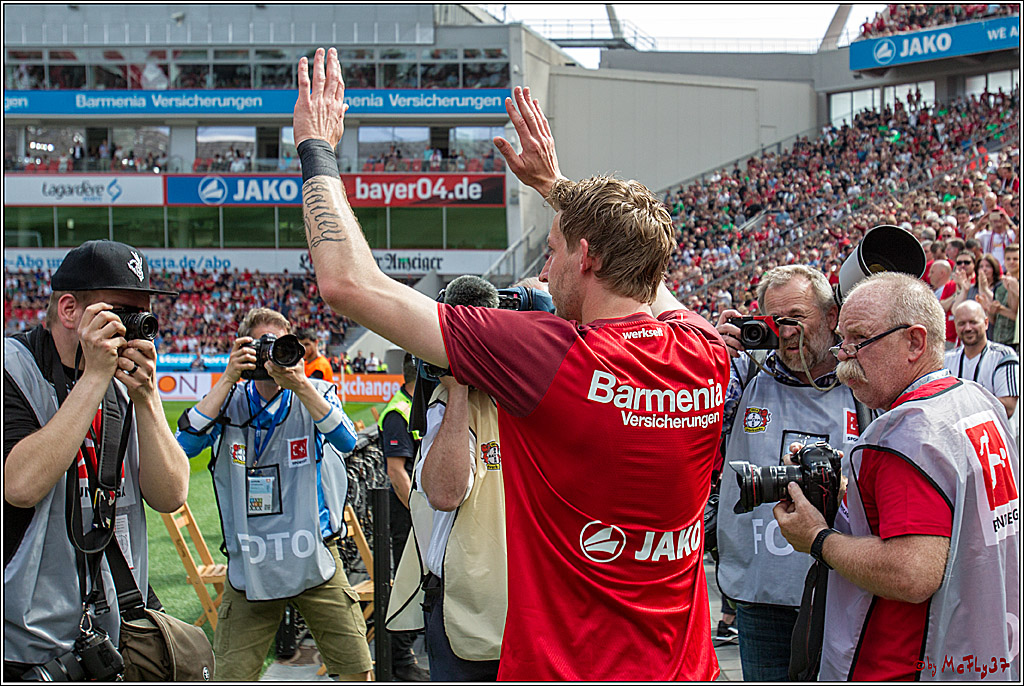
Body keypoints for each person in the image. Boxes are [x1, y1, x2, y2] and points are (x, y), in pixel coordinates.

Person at [294, 48, 730, 680]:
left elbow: (346, 284)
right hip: (682, 667)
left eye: (552, 251)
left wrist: (317, 154)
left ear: (585, 256)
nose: (545, 271)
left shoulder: (548, 354)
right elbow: (647, 276)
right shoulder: (704, 353)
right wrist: (558, 191)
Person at [774, 272, 1019, 681]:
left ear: (915, 342)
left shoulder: (904, 433)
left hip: (905, 664)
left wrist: (817, 537)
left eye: (859, 339)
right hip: (987, 650)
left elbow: (912, 574)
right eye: (842, 339)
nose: (843, 354)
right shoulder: (977, 399)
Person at [4, 240, 189, 680]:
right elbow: (20, 485)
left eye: (142, 315)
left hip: (115, 631)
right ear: (70, 310)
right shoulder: (14, 369)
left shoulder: (124, 384)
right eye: (121, 312)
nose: (136, 329)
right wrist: (94, 378)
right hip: (25, 646)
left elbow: (170, 495)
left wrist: (147, 396)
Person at [174, 307, 372, 681]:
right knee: (230, 675)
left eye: (279, 345)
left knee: (357, 670)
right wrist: (228, 376)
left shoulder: (316, 392)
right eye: (261, 345)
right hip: (251, 564)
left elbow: (346, 441)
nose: (270, 355)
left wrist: (301, 384)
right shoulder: (229, 401)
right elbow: (182, 445)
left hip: (312, 557)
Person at [714, 265, 864, 681]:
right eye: (775, 320)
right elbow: (684, 423)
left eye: (797, 316)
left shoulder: (862, 383)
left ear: (831, 316)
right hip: (760, 592)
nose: (786, 331)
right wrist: (709, 356)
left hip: (843, 586)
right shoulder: (743, 377)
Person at [376, 353, 429, 681]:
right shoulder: (399, 411)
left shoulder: (415, 404)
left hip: (420, 511)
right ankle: (400, 660)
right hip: (408, 513)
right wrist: (420, 513)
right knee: (408, 581)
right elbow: (397, 473)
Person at [946, 300, 1019, 419]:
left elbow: (1008, 407)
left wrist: (960, 404)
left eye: (973, 322)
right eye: (962, 323)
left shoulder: (1003, 356)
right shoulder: (947, 360)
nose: (968, 328)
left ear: (986, 323)